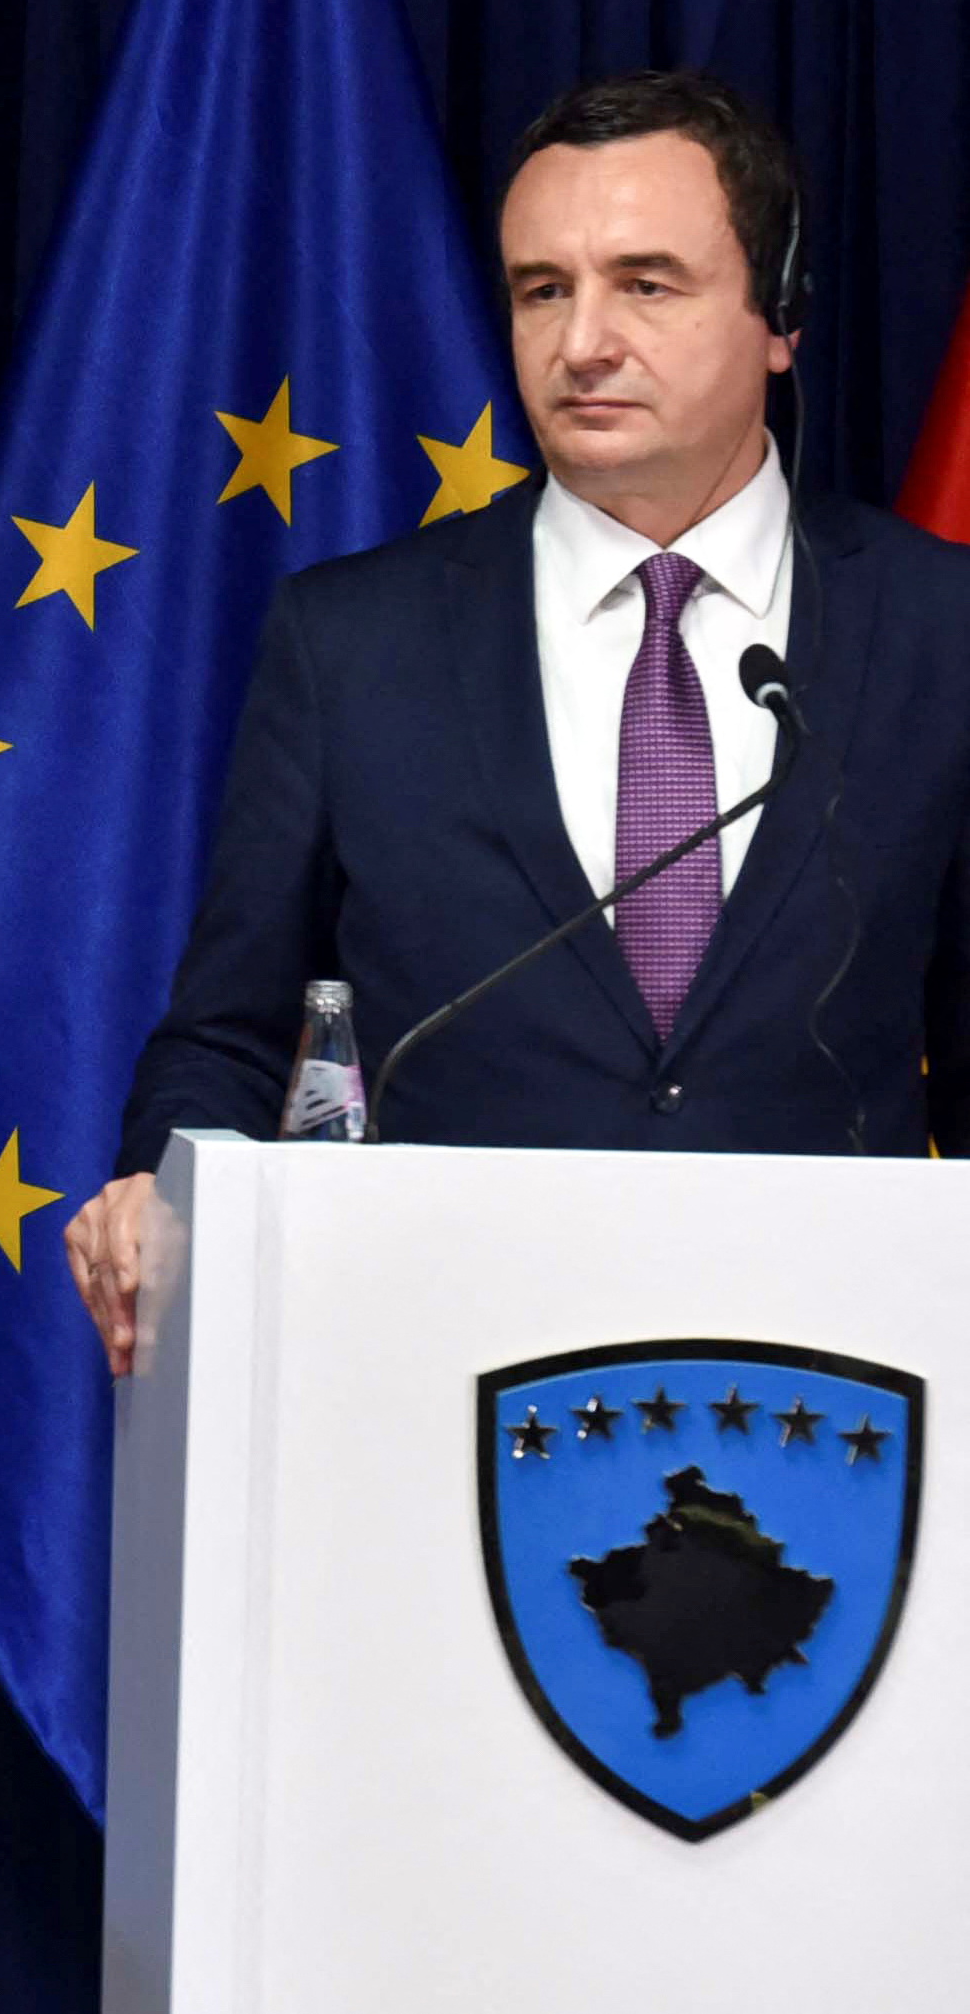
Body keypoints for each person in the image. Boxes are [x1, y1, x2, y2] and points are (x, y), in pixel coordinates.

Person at [70, 70, 970, 1371]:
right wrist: (164, 1185)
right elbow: (228, 1032)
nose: (580, 341)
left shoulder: (937, 634)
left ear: (778, 317)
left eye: (643, 285)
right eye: (542, 289)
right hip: (440, 1373)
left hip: (831, 1384)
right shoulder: (354, 643)